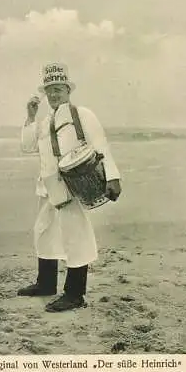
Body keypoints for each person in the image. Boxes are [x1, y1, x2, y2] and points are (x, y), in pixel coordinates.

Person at [18, 63, 122, 312]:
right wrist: (31, 117)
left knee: (76, 236)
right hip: (48, 187)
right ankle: (46, 284)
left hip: (74, 185)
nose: (54, 95)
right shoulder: (44, 121)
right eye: (49, 90)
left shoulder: (81, 114)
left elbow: (100, 145)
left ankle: (75, 294)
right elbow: (27, 146)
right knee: (43, 232)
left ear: (68, 90)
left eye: (59, 90)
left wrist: (112, 177)